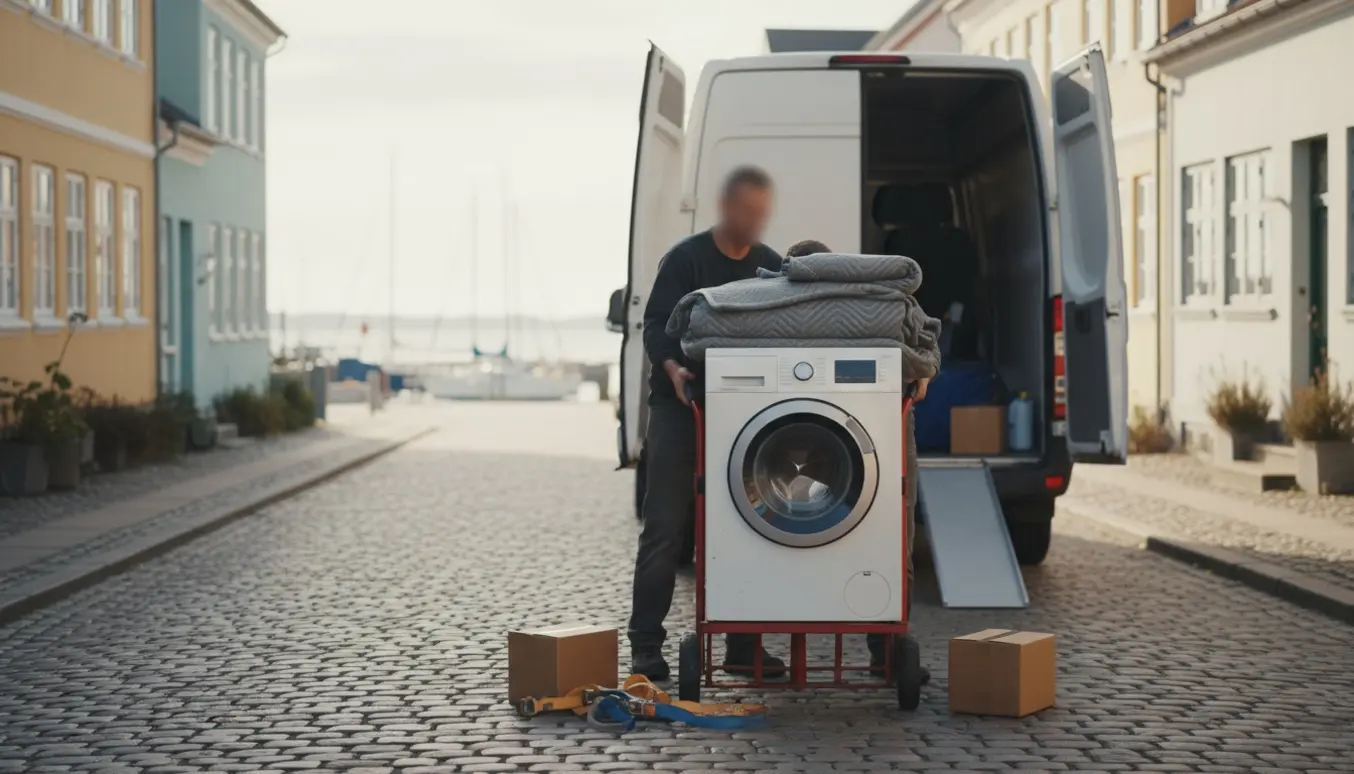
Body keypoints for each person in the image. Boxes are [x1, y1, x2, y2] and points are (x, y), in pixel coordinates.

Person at [629, 166, 787, 681]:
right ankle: (646, 644)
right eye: (747, 211)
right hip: (681, 407)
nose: (755, 221)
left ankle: (743, 648)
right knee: (665, 529)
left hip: (743, 412)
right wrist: (673, 367)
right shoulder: (686, 258)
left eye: (763, 213)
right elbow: (655, 326)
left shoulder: (769, 266)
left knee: (745, 526)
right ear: (725, 207)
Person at [783, 238, 932, 687]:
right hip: (869, 431)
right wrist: (921, 370)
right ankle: (884, 652)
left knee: (790, 538)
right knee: (888, 537)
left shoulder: (768, 312)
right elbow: (926, 350)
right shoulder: (881, 304)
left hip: (797, 441)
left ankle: (759, 636)